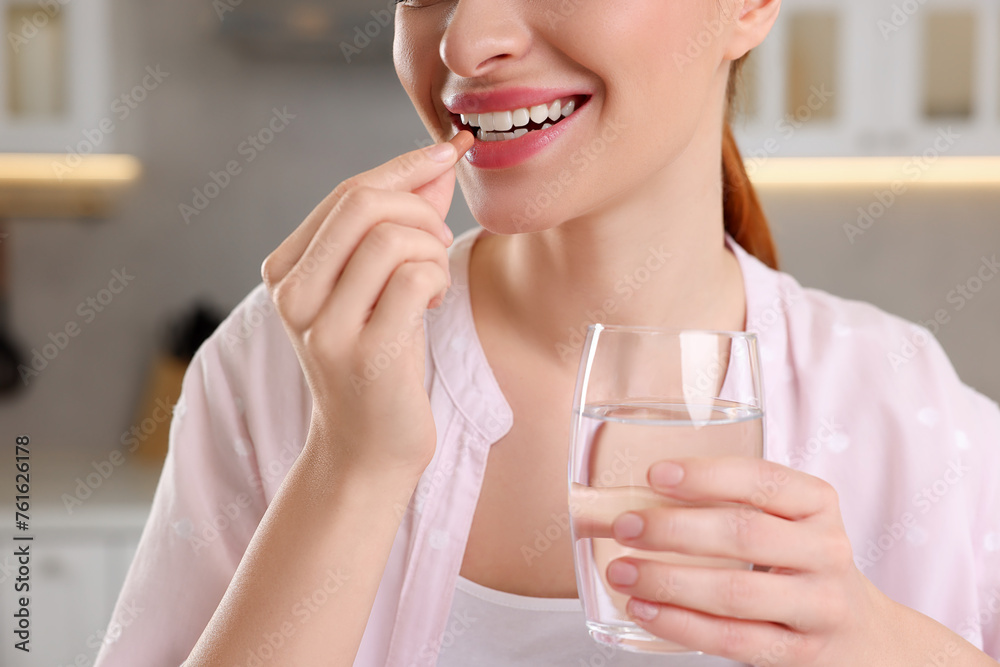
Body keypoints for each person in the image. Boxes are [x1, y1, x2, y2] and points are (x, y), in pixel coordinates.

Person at [94, 0, 1000, 665]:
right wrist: (351, 466)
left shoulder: (910, 408)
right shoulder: (280, 366)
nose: (464, 39)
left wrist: (876, 639)